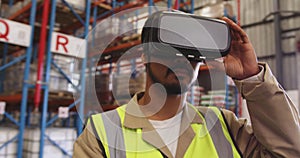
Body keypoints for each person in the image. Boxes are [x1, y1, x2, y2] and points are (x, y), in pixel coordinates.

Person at [73, 11, 300, 158]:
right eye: (170, 51)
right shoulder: (101, 134)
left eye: (190, 54)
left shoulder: (224, 125)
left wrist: (251, 77)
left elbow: (290, 152)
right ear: (145, 56)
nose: (181, 61)